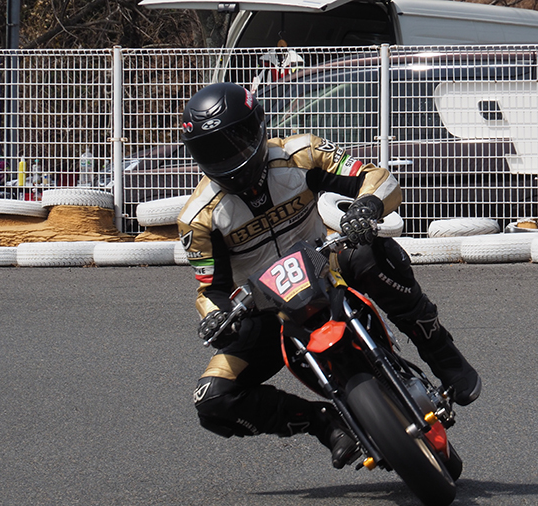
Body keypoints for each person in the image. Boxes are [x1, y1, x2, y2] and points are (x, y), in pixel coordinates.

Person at [177, 82, 480, 469]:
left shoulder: (302, 153)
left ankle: (442, 353)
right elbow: (210, 290)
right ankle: (323, 422)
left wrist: (366, 208)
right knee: (212, 399)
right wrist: (216, 318)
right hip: (268, 310)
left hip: (327, 267)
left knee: (370, 251)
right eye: (213, 151)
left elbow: (378, 178)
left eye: (236, 142)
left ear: (258, 127)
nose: (229, 157)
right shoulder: (198, 218)